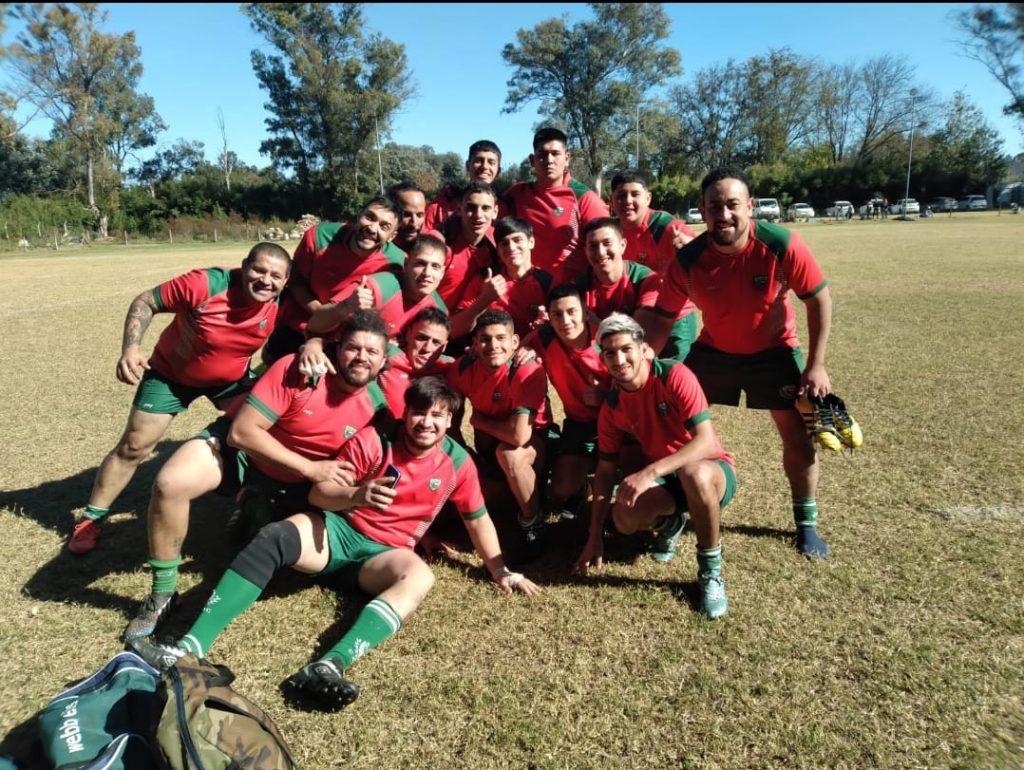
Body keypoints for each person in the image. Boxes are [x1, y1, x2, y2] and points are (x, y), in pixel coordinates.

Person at [131, 377, 540, 712]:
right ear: (406, 413)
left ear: (450, 420)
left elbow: (477, 518)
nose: (426, 423)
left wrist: (501, 570)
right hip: (337, 533)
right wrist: (357, 495)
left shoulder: (457, 462)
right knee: (275, 535)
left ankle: (330, 666)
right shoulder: (374, 440)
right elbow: (319, 493)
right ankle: (187, 649)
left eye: (437, 415)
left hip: (383, 557)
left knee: (420, 576)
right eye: (419, 412)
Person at [122, 310, 391, 642]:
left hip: (295, 486)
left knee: (277, 550)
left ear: (383, 361)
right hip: (242, 455)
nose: (362, 357)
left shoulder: (377, 408)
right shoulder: (299, 369)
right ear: (338, 347)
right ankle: (162, 593)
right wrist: (311, 468)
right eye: (353, 347)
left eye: (372, 351)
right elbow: (242, 433)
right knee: (170, 483)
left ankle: (255, 505)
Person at [645, 166, 834, 560]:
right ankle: (671, 511)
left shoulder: (781, 244)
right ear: (702, 211)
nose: (724, 214)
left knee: (796, 436)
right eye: (714, 207)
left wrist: (816, 365)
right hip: (714, 353)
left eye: (733, 204)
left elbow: (818, 299)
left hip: (774, 350)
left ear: (750, 206)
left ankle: (806, 523)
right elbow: (662, 319)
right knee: (672, 423)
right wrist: (646, 361)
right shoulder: (688, 260)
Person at [67, 243, 292, 555]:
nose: (265, 280)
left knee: (261, 432)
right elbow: (145, 301)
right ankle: (91, 519)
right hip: (170, 376)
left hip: (230, 382)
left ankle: (248, 499)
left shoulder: (283, 301)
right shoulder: (205, 284)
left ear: (285, 281)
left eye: (275, 276)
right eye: (259, 270)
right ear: (244, 266)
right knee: (134, 446)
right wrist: (131, 348)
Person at [574, 314, 736, 619]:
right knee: (623, 518)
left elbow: (704, 441)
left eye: (626, 349)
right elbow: (605, 472)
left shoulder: (674, 375)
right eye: (610, 353)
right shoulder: (612, 406)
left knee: (695, 474)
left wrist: (649, 472)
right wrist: (594, 537)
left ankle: (710, 572)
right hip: (669, 479)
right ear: (603, 359)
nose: (619, 359)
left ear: (642, 348)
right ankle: (670, 525)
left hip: (711, 471)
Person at [446, 310, 552, 555]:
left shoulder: (526, 369)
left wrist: (480, 421)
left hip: (535, 444)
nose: (493, 345)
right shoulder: (461, 369)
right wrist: (465, 454)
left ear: (515, 342)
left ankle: (533, 522)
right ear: (474, 344)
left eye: (501, 338)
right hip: (489, 450)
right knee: (463, 469)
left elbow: (519, 436)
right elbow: (451, 423)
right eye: (485, 339)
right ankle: (507, 504)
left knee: (510, 455)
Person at [263, 196, 405, 363]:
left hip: (345, 337)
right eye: (370, 217)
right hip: (298, 323)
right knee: (278, 369)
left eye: (384, 226)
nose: (373, 228)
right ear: (359, 215)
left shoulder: (397, 261)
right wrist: (320, 312)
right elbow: (295, 281)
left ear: (392, 236)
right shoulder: (319, 236)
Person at [519, 283, 610, 522]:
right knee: (560, 489)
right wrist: (527, 352)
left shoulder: (606, 338)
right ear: (549, 317)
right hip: (579, 424)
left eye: (571, 311)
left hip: (618, 422)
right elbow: (517, 350)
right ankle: (583, 488)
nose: (565, 320)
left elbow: (639, 384)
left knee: (628, 468)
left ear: (585, 311)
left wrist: (606, 396)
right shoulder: (544, 337)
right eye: (557, 314)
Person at [578, 218, 696, 362]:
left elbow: (638, 337)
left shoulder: (645, 279)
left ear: (622, 245)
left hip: (657, 343)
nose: (601, 252)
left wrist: (596, 323)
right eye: (593, 246)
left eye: (607, 243)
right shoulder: (580, 286)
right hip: (612, 354)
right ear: (585, 251)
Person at [502, 127, 609, 283]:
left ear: (567, 158)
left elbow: (607, 247)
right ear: (532, 160)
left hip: (568, 293)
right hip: (527, 289)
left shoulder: (584, 198)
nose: (549, 160)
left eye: (555, 154)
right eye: (542, 155)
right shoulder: (517, 193)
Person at [307, 234, 448, 341]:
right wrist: (346, 306)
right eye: (420, 264)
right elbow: (315, 324)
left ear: (442, 272)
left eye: (435, 266)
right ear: (406, 264)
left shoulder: (439, 311)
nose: (427, 273)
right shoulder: (378, 287)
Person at [451, 217, 552, 339]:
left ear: (531, 242)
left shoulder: (547, 282)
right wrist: (484, 299)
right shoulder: (486, 279)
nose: (511, 247)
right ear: (498, 250)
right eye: (504, 243)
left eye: (517, 240)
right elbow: (455, 330)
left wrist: (546, 326)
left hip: (530, 349)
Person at [609, 169, 696, 273]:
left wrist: (692, 251)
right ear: (611, 200)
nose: (628, 201)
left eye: (635, 194)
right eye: (621, 195)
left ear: (648, 198)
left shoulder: (667, 227)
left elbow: (705, 259)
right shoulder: (608, 232)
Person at [376, 307, 454, 420]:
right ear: (408, 334)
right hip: (383, 428)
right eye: (422, 338)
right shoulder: (386, 355)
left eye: (436, 342)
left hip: (424, 429)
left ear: (444, 346)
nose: (427, 348)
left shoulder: (449, 366)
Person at [436, 181, 501, 312]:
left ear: (495, 212)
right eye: (471, 208)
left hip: (473, 321)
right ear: (459, 210)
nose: (478, 215)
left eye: (485, 208)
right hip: (434, 321)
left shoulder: (499, 245)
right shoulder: (440, 243)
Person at [423, 140, 503, 232]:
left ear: (498, 170)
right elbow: (424, 236)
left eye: (491, 162)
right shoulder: (440, 205)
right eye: (478, 160)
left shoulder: (505, 208)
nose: (484, 166)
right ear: (468, 165)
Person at [386, 181, 430, 255]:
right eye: (406, 215)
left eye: (419, 215)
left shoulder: (433, 248)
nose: (414, 224)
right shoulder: (375, 251)